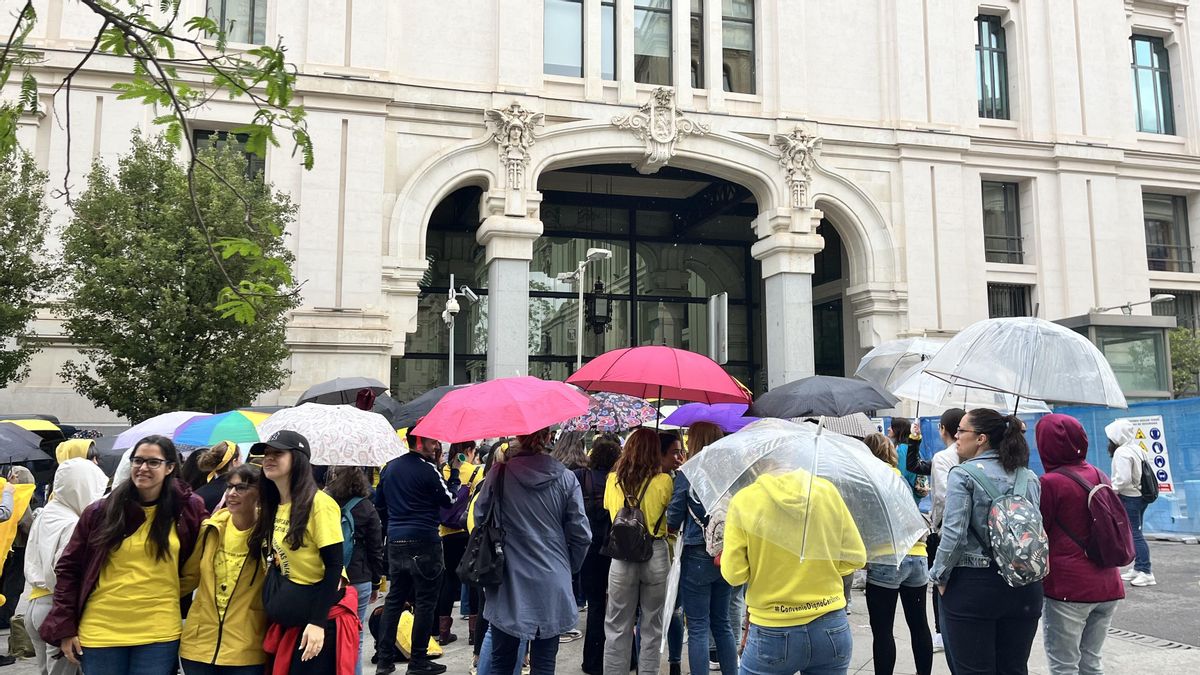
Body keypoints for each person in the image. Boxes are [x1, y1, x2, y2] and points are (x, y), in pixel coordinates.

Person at [40, 435, 208, 673]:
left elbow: (197, 562)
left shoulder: (187, 509)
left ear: (170, 467)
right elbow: (69, 569)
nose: (143, 468)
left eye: (153, 462)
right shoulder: (101, 511)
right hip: (101, 631)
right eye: (138, 461)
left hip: (159, 632)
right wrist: (66, 628)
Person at [721, 465, 866, 675]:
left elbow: (734, 575)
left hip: (772, 628)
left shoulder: (744, 500)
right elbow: (856, 557)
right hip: (830, 624)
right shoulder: (826, 491)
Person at [931, 408, 1043, 675]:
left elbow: (954, 535)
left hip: (973, 585)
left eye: (962, 431)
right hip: (1024, 586)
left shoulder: (963, 474)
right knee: (1014, 669)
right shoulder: (1028, 477)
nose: (957, 437)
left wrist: (938, 576)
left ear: (981, 438)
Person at [474, 427, 591, 675]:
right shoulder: (566, 478)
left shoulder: (499, 474)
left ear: (518, 436)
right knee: (544, 664)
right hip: (552, 577)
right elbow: (582, 534)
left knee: (502, 661)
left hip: (507, 577)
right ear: (548, 438)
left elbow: (479, 517)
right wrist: (569, 567)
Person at [249, 430, 354, 675]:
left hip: (318, 621)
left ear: (297, 459)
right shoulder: (274, 505)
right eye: (266, 453)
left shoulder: (319, 504)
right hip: (290, 621)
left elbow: (334, 566)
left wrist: (317, 623)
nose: (269, 458)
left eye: (278, 453)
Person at [1036, 414, 1125, 675]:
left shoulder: (1049, 483)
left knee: (1064, 666)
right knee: (1091, 663)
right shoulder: (1099, 474)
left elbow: (1039, 531)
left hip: (1068, 588)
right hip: (1108, 584)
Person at [374, 429, 462, 675]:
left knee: (394, 599)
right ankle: (418, 660)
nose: (436, 446)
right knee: (425, 602)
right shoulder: (427, 469)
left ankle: (384, 660)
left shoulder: (389, 468)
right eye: (433, 442)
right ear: (421, 442)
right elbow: (450, 500)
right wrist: (454, 474)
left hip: (396, 540)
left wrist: (394, 524)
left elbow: (379, 504)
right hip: (424, 540)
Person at [180, 464, 268, 674]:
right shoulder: (211, 529)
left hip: (246, 649)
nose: (232, 493)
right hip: (199, 646)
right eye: (229, 487)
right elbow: (190, 577)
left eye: (241, 488)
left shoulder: (270, 534)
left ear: (260, 493)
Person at [25, 458, 109, 675]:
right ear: (81, 487)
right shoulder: (71, 523)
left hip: (35, 606)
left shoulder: (47, 512)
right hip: (56, 608)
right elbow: (63, 573)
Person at [665, 422, 738, 675]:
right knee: (722, 623)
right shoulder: (731, 472)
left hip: (696, 552)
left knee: (697, 626)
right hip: (725, 552)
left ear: (695, 442)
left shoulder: (688, 473)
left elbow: (674, 516)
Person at [602, 428, 673, 675]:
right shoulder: (664, 481)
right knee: (652, 625)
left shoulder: (613, 480)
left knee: (617, 625)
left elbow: (608, 509)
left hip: (621, 555)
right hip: (655, 553)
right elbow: (670, 515)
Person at [863, 433, 934, 675]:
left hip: (887, 558)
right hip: (917, 555)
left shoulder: (868, 479)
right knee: (919, 625)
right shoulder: (899, 477)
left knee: (883, 631)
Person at [326, 466, 386, 675]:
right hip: (359, 577)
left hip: (329, 578)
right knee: (355, 639)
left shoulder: (325, 504)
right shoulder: (367, 507)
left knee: (328, 637)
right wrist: (376, 582)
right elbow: (375, 549)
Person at [573, 434, 620, 675]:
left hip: (588, 550)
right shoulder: (617, 481)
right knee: (618, 608)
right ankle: (621, 659)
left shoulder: (580, 477)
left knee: (595, 605)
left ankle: (592, 661)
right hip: (614, 549)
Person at [437, 441, 482, 646]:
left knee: (449, 579)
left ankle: (443, 632)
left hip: (447, 532)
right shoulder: (475, 472)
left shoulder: (442, 472)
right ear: (468, 451)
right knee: (472, 580)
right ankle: (473, 633)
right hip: (468, 532)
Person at [1105, 419, 1154, 587]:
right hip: (1141, 496)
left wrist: (1112, 490)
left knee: (1135, 534)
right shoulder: (1137, 448)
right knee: (1136, 531)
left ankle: (1146, 571)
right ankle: (1139, 568)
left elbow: (1123, 479)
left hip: (1129, 497)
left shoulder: (1122, 452)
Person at [657, 431, 685, 675]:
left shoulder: (677, 479)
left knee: (673, 610)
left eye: (681, 452)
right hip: (663, 552)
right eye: (675, 452)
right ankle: (665, 661)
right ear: (661, 454)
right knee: (663, 611)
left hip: (673, 553)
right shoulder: (666, 482)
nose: (679, 458)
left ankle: (673, 662)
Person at [0, 466, 36, 630]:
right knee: (13, 585)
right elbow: (27, 525)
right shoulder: (19, 496)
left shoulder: (4, 493)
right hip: (18, 548)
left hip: (5, 549)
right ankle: (3, 618)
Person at [194, 441, 242, 513]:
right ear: (234, 462)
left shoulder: (198, 494)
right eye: (241, 459)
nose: (242, 463)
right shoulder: (240, 492)